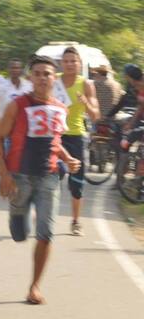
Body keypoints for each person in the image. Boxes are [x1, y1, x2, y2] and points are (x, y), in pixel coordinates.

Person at [0, 55, 80, 305]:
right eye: (38, 73)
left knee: (47, 233)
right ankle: (17, 216)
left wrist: (69, 157)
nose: (42, 78)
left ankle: (34, 286)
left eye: (47, 74)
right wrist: (4, 175)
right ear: (30, 78)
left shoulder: (60, 108)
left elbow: (55, 140)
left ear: (55, 78)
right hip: (19, 176)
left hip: (49, 177)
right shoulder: (17, 105)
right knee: (20, 234)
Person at [54, 46, 99, 236]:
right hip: (55, 134)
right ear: (61, 63)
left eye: (74, 61)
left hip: (76, 136)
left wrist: (85, 103)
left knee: (76, 183)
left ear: (80, 64)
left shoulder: (86, 84)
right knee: (53, 174)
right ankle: (45, 216)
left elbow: (96, 115)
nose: (70, 64)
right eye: (66, 61)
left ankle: (75, 221)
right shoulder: (53, 80)